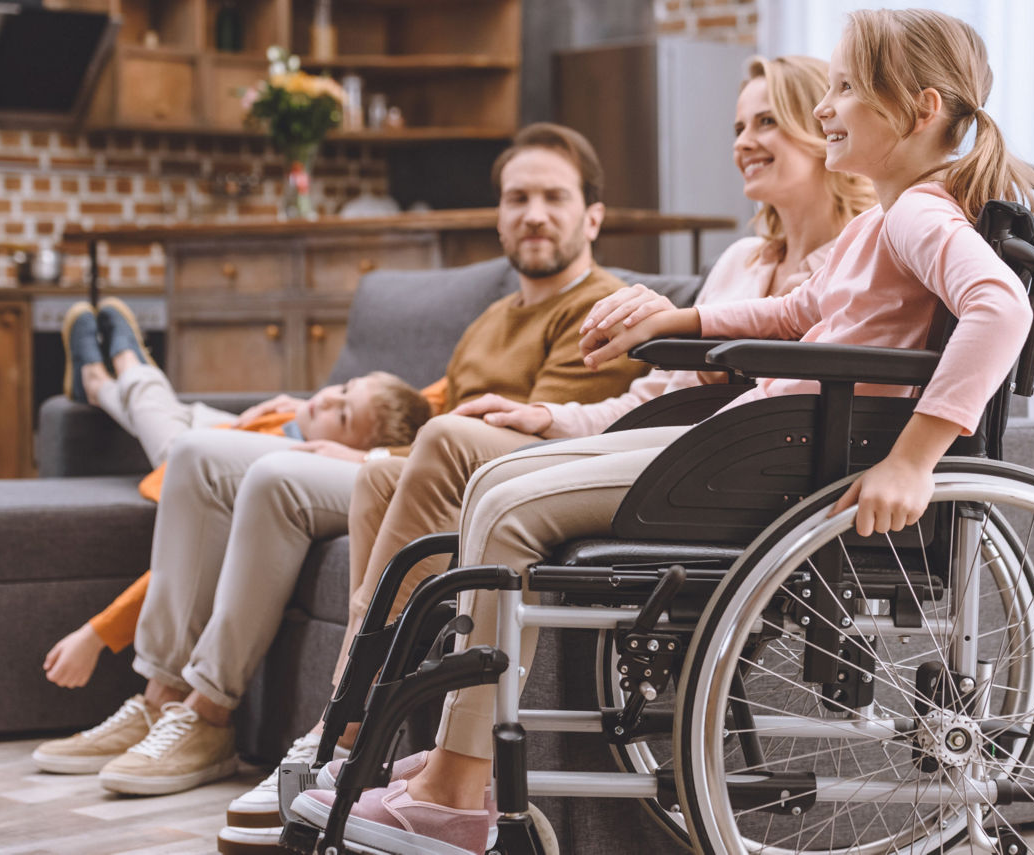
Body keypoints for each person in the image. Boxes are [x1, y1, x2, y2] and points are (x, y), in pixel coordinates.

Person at [292, 10, 1034, 855]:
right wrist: (683, 314)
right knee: (492, 483)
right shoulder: (885, 217)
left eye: (841, 88)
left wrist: (915, 458)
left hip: (790, 462)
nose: (826, 106)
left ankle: (457, 790)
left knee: (509, 511)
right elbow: (800, 310)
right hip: (766, 441)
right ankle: (451, 767)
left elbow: (1001, 309)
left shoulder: (918, 218)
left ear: (916, 111)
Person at [214, 52, 879, 850]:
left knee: (471, 463)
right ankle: (371, 723)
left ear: (822, 126)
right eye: (738, 124)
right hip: (674, 443)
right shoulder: (740, 263)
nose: (744, 140)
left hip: (743, 466)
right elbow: (649, 399)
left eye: (767, 120)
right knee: (418, 469)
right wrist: (550, 418)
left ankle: (370, 735)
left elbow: (802, 381)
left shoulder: (861, 255)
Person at [32, 122, 647, 798]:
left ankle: (210, 712)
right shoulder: (495, 315)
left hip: (462, 486)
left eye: (553, 198)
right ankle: (162, 693)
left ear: (592, 216)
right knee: (199, 455)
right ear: (497, 214)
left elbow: (518, 447)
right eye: (517, 197)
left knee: (273, 478)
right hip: (412, 465)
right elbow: (442, 402)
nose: (533, 214)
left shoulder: (599, 310)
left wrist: (377, 450)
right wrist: (340, 421)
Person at [41, 295, 432, 690]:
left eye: (343, 415)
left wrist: (98, 633)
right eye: (344, 388)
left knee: (173, 435)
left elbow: (190, 557)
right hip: (236, 427)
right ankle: (105, 380)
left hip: (216, 449)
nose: (328, 398)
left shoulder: (278, 473)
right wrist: (298, 409)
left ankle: (115, 370)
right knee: (167, 417)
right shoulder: (294, 415)